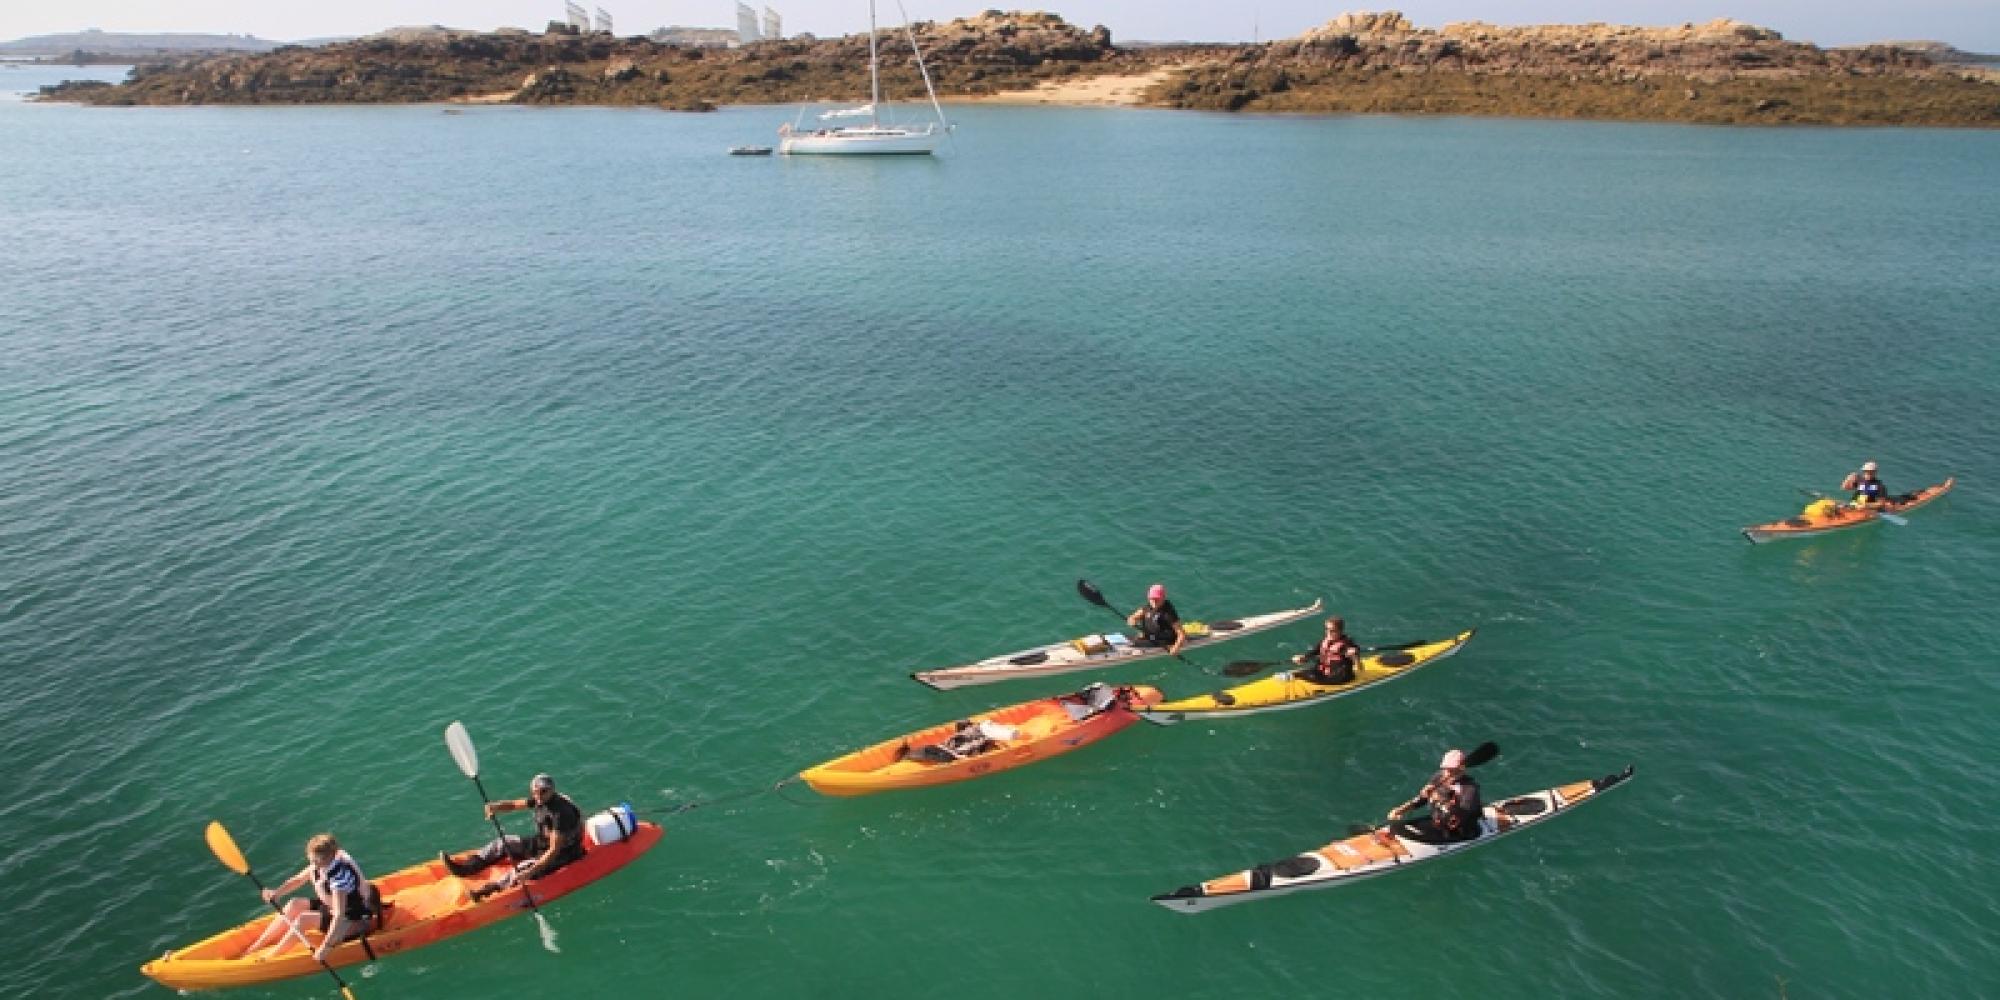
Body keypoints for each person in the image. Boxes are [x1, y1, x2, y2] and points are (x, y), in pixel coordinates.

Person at [440, 773, 585, 902]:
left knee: (522, 869)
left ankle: (487, 891)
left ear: (552, 790)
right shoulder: (540, 800)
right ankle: (465, 868)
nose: (538, 796)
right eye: (535, 792)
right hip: (541, 843)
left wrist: (531, 871)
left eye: (543, 792)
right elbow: (514, 804)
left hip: (563, 855)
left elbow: (554, 850)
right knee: (505, 842)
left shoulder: (560, 814)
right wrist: (495, 807)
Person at [245, 834, 378, 959]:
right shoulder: (319, 866)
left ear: (328, 857)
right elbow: (298, 880)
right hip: (331, 909)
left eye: (315, 860)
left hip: (352, 922)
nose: (312, 862)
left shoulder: (339, 879)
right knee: (294, 903)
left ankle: (272, 957)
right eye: (311, 858)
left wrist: (325, 948)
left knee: (304, 919)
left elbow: (339, 915)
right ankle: (256, 946)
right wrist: (276, 893)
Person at [1384, 749, 1483, 844]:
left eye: (1451, 770)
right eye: (1445, 769)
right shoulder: (1440, 777)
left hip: (1458, 831)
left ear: (1461, 769)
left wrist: (1438, 798)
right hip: (1437, 822)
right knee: (1398, 827)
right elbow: (1422, 799)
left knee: (1406, 834)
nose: (1447, 773)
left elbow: (1458, 818)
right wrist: (1400, 810)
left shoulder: (1469, 790)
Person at [1291, 616, 1360, 685]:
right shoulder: (1325, 641)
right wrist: (1302, 657)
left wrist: (1353, 651)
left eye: (1332, 630)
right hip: (1324, 672)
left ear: (1340, 631)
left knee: (1307, 675)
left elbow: (1355, 649)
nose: (1328, 632)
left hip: (1340, 677)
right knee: (1302, 672)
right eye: (1327, 629)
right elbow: (1314, 652)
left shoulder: (1347, 642)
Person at [1127, 583, 1186, 656]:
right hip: (1150, 637)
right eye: (1152, 599)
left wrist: (1176, 648)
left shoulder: (1168, 613)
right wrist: (1132, 621)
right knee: (1129, 640)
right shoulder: (1148, 606)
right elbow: (1132, 617)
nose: (1154, 601)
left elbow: (1181, 634)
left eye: (1157, 599)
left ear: (1163, 598)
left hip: (1163, 642)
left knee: (1131, 644)